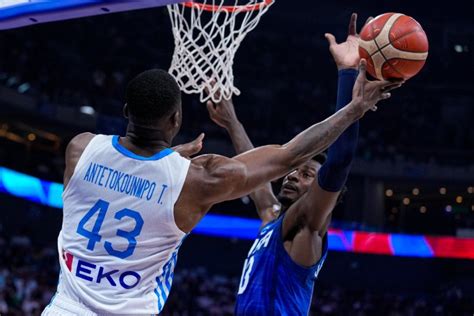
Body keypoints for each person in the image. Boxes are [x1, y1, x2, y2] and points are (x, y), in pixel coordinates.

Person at [42, 33, 400, 315]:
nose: (293, 177)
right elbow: (284, 158)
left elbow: (331, 168)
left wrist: (352, 99)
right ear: (176, 121)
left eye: (307, 175)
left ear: (124, 110)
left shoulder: (80, 148)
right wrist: (353, 108)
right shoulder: (202, 184)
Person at [205, 14, 394, 315]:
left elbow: (339, 162)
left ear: (323, 194)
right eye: (294, 170)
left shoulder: (306, 225)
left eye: (306, 174)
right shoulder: (275, 221)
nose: (292, 176)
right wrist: (232, 123)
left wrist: (347, 74)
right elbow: (258, 182)